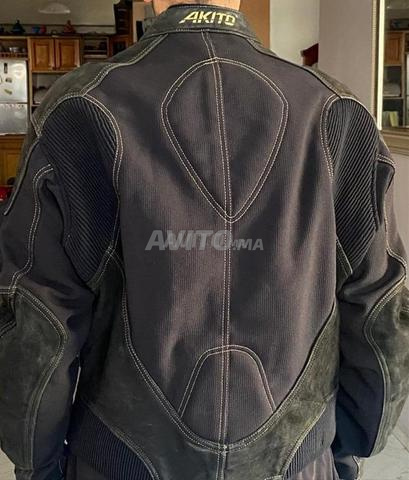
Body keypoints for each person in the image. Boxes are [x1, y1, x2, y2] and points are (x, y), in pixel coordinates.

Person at [0, 1, 408, 479]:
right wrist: (343, 446)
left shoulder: (80, 108)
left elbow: (36, 320)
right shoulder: (337, 113)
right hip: (294, 461)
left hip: (120, 459)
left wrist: (38, 461)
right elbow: (380, 310)